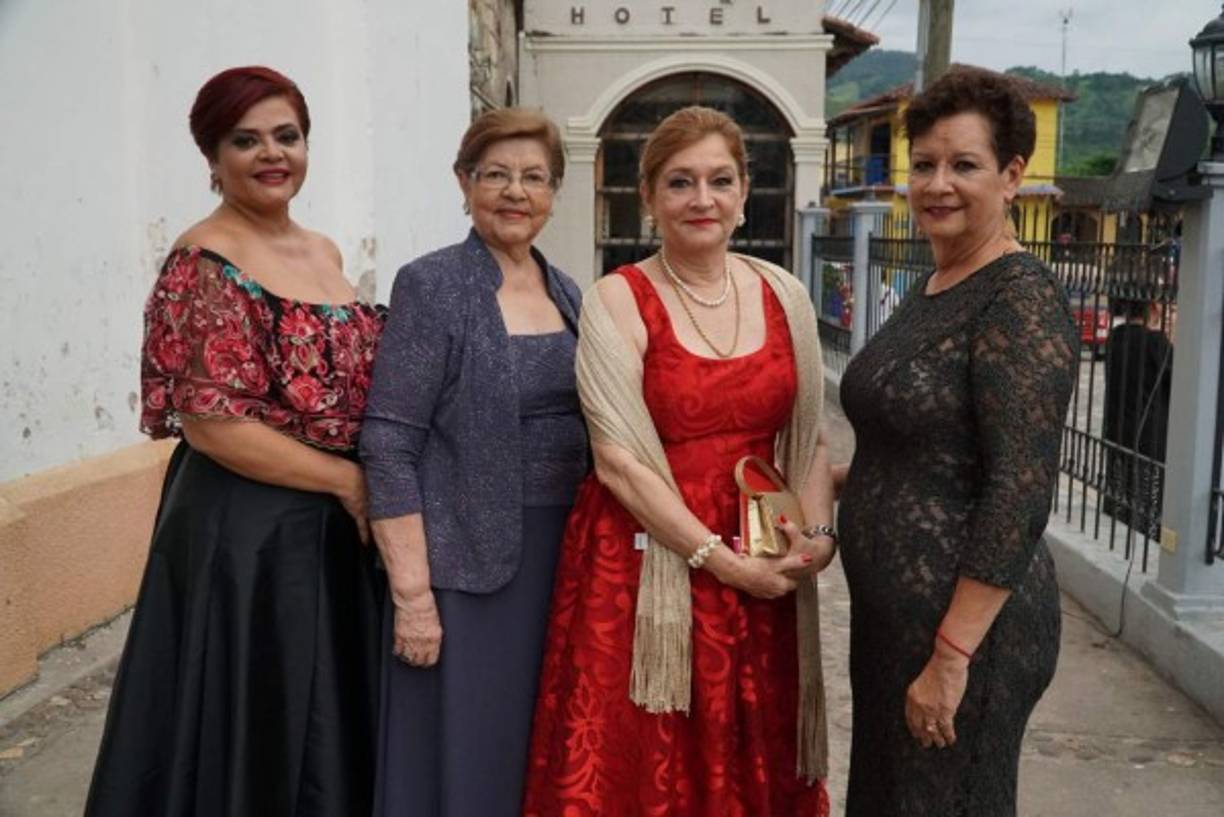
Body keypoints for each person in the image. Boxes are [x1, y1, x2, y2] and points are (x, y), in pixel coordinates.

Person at [85, 66, 385, 817]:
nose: (271, 153)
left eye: (287, 136)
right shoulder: (205, 259)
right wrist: (349, 483)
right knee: (256, 716)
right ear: (212, 159)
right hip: (246, 532)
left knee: (325, 717)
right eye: (245, 140)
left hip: (328, 527)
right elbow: (214, 424)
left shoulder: (323, 250)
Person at [523, 105, 836, 816]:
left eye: (720, 180)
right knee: (648, 759)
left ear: (745, 191)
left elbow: (809, 438)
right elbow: (618, 462)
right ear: (649, 198)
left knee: (752, 743)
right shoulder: (617, 299)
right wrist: (723, 564)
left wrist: (813, 540)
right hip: (647, 559)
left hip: (765, 555)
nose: (703, 199)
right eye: (680, 182)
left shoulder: (785, 294)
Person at [835, 66, 1079, 815]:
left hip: (964, 637)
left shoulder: (1019, 299)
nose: (939, 183)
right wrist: (845, 481)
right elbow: (926, 438)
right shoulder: (938, 280)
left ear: (1011, 177)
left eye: (964, 165)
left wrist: (950, 657)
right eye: (926, 165)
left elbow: (1019, 487)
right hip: (893, 625)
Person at [359, 107, 586, 817]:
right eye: (496, 175)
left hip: (565, 559)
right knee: (466, 748)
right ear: (464, 183)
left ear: (554, 192)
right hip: (464, 565)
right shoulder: (432, 285)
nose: (515, 192)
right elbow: (388, 441)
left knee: (539, 748)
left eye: (533, 177)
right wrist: (414, 597)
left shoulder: (569, 290)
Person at [1102, 291, 1173, 539]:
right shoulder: (1156, 343)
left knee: (1119, 502)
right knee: (1147, 511)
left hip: (1117, 434)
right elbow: (1183, 386)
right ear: (1153, 306)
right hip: (1149, 443)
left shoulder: (1115, 338)